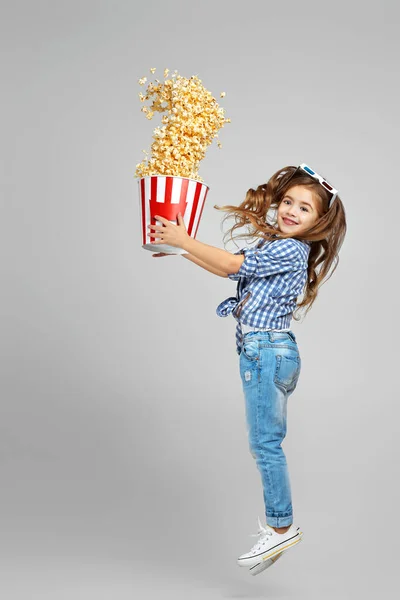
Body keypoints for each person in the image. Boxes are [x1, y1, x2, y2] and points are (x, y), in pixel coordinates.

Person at [147, 163, 347, 575]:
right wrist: (182, 248)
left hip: (266, 353)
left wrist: (184, 239)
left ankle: (281, 527)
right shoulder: (280, 245)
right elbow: (231, 263)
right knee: (265, 442)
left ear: (319, 221)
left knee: (265, 444)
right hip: (270, 353)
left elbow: (230, 268)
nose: (290, 211)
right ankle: (279, 527)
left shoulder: (290, 249)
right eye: (288, 201)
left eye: (304, 208)